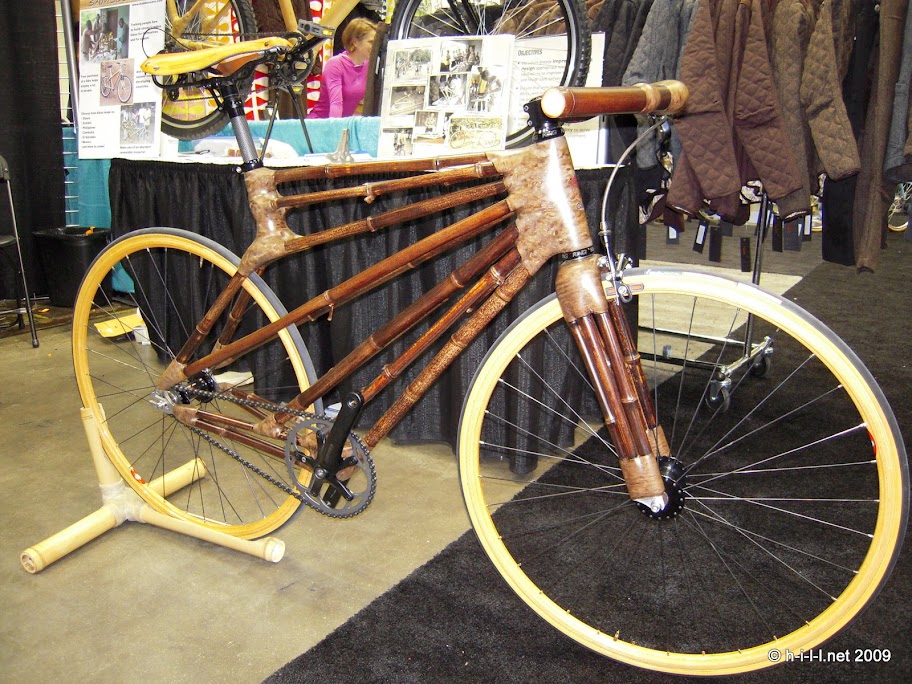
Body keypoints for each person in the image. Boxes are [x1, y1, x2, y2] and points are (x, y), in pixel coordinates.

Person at [308, 18, 377, 118]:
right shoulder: (335, 64)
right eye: (371, 42)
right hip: (322, 123)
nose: (375, 46)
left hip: (342, 122)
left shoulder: (369, 65)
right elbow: (336, 104)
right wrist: (337, 127)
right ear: (355, 42)